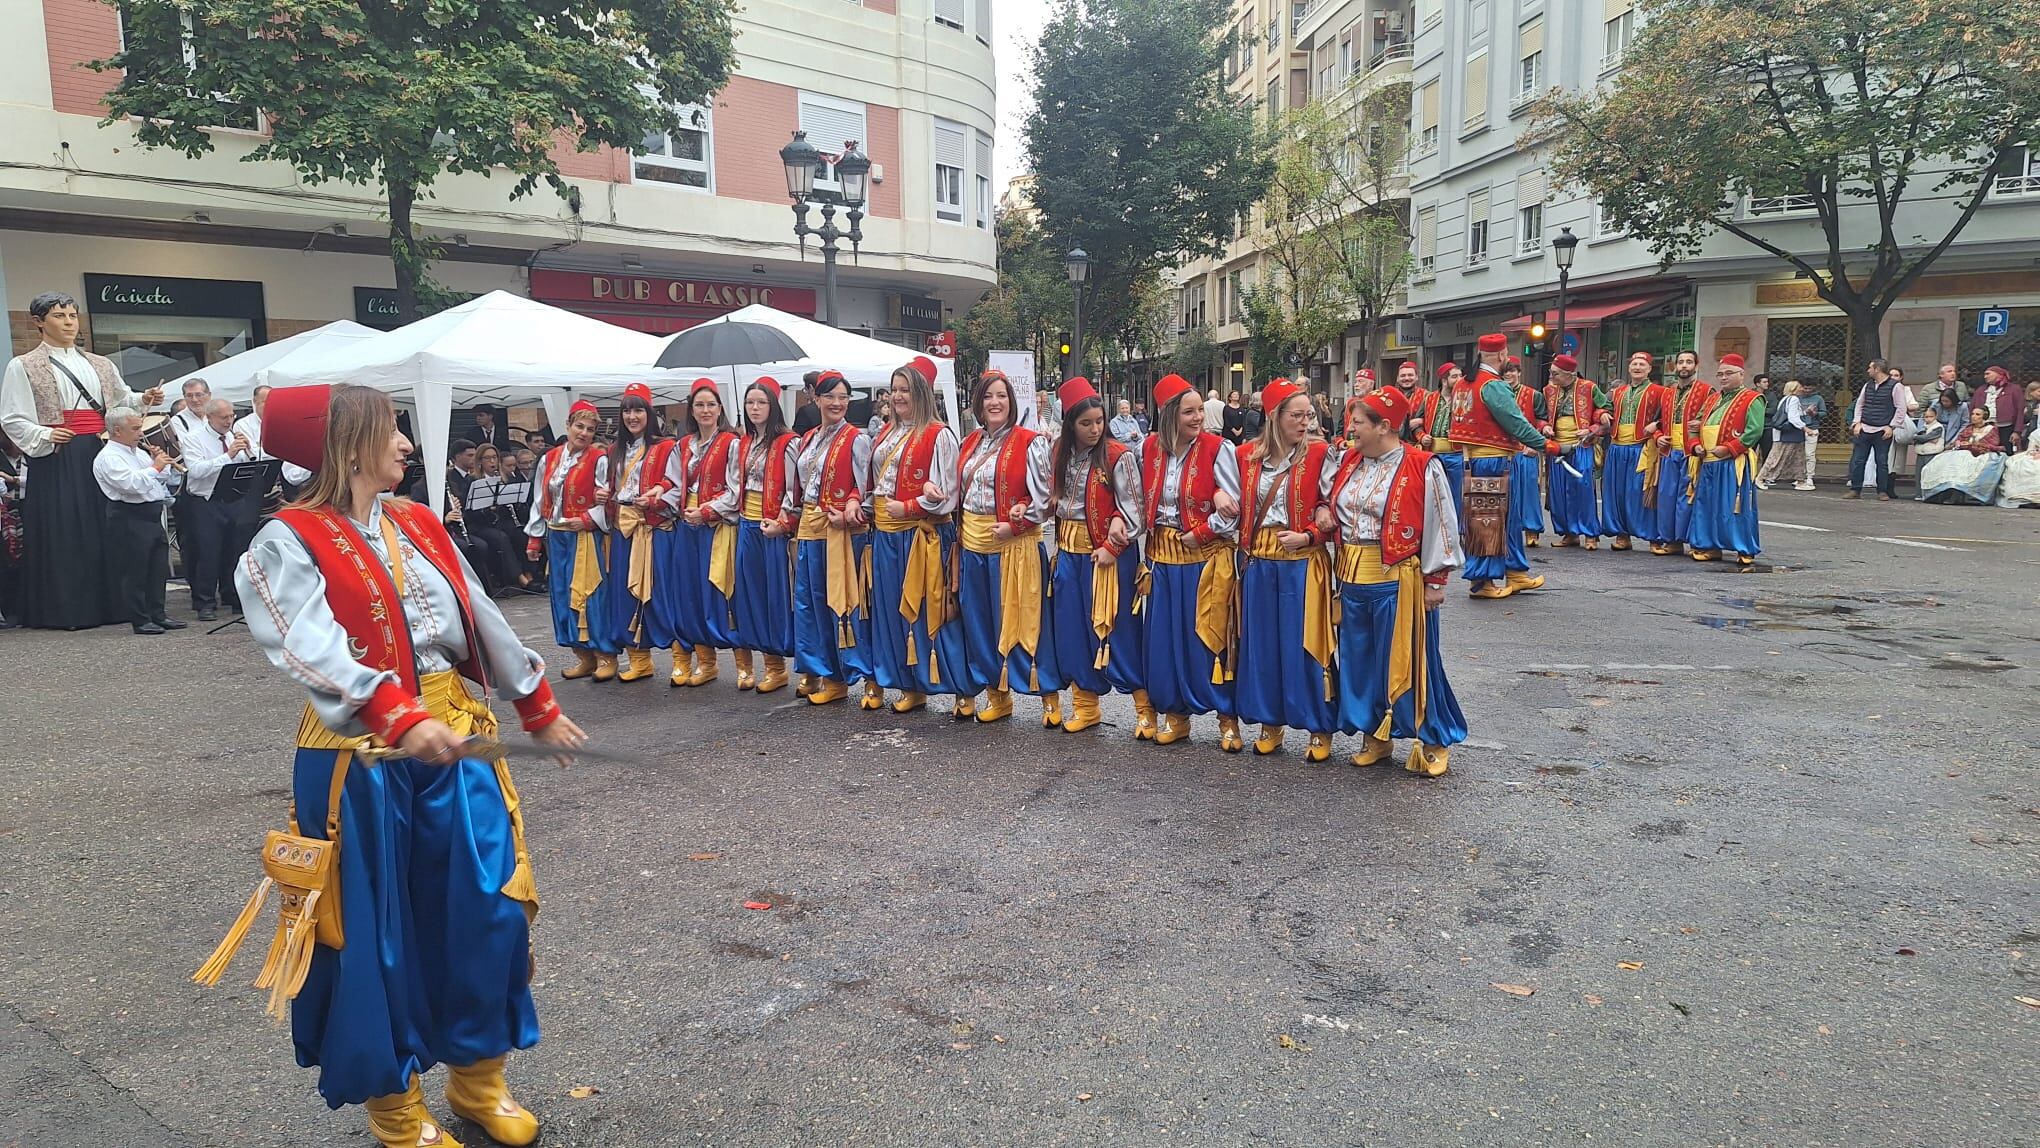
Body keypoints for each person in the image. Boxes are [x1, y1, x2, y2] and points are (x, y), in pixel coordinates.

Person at [224, 383, 585, 1148]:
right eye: (391, 430)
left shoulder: (420, 521)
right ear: (345, 442)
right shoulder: (283, 541)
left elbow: (476, 609)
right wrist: (392, 709)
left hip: (457, 735)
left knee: (486, 910)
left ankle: (479, 1080)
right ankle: (396, 1105)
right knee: (375, 931)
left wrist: (533, 698)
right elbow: (304, 644)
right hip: (360, 757)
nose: (407, 446)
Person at [1321, 386, 1465, 777]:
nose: (1352, 431)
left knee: (1413, 661)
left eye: (1359, 424)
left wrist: (1436, 579)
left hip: (1398, 580)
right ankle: (1375, 735)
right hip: (1351, 578)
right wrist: (1323, 513)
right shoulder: (1350, 460)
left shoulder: (1422, 464)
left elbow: (1442, 522)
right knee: (1360, 662)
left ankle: (1432, 736)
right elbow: (1324, 497)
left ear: (1385, 426)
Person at [0, 292, 164, 629]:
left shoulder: (101, 363)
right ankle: (70, 609)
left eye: (72, 316)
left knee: (108, 524)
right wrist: (45, 434)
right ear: (38, 322)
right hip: (60, 453)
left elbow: (121, 400)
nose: (69, 323)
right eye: (59, 316)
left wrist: (142, 397)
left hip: (100, 447)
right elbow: (12, 416)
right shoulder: (23, 365)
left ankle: (118, 605)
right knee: (67, 529)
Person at [1234, 378, 1337, 762]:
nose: (1305, 422)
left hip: (1302, 561)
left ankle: (1318, 724)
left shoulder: (1322, 453)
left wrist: (1312, 532)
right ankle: (1269, 721)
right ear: (1274, 416)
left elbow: (1334, 503)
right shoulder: (1245, 455)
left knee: (1305, 644)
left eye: (1308, 415)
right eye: (1297, 415)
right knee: (1262, 645)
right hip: (1258, 560)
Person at [1141, 374, 1243, 750]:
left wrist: (1204, 528)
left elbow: (1234, 507)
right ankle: (1176, 715)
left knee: (1210, 639)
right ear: (1169, 415)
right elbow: (1140, 499)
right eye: (1189, 411)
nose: (1198, 417)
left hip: (1205, 559)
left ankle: (1226, 717)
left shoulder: (1218, 449)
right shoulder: (1149, 448)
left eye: (1200, 409)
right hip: (1162, 560)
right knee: (1166, 642)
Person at [954, 369, 1060, 724]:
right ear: (978, 404)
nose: (994, 402)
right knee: (980, 622)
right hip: (973, 544)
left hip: (1014, 545)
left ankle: (1047, 694)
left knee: (1027, 619)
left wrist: (1016, 523)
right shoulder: (969, 443)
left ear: (1011, 401)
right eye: (988, 396)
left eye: (1001, 395)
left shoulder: (1031, 441)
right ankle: (996, 695)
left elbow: (1044, 501)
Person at [1044, 377, 1148, 737]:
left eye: (1099, 422)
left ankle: (1143, 707)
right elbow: (1049, 501)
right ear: (1070, 423)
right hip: (1068, 554)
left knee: (1118, 631)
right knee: (1073, 632)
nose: (1094, 429)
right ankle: (1086, 705)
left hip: (1106, 554)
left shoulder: (1118, 456)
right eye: (1085, 423)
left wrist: (1113, 547)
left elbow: (1136, 511)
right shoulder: (1058, 453)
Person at [867, 360, 967, 715]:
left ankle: (959, 688)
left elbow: (947, 496)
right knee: (895, 613)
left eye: (905, 389)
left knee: (933, 611)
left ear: (921, 393)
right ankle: (909, 683)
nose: (897, 396)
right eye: (894, 389)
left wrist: (909, 506)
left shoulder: (939, 434)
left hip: (920, 537)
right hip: (886, 538)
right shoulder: (885, 432)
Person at [707, 378, 799, 694]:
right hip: (747, 523)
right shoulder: (743, 442)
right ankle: (771, 665)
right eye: (750, 403)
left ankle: (789, 666)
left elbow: (793, 489)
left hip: (773, 525)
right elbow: (736, 486)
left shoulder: (788, 442)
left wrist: (784, 521)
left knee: (778, 598)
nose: (755, 408)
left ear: (773, 406)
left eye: (761, 402)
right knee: (753, 597)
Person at [791, 369, 875, 707]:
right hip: (809, 526)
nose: (837, 402)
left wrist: (852, 501)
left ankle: (860, 674)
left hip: (838, 528)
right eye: (830, 396)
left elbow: (863, 482)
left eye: (843, 397)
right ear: (817, 398)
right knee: (809, 603)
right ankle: (823, 671)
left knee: (846, 602)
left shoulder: (857, 438)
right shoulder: (808, 438)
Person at [1455, 334, 1560, 599]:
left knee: (1506, 519)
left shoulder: (1465, 383)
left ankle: (1515, 573)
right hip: (1492, 460)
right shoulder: (1492, 385)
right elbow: (1516, 423)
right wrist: (1545, 445)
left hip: (1478, 459)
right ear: (1502, 356)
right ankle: (1482, 581)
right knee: (1487, 521)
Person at [524, 400, 619, 681]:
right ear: (567, 425)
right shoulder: (549, 458)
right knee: (563, 595)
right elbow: (540, 499)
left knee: (590, 594)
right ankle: (583, 655)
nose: (584, 433)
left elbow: (606, 498)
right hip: (557, 535)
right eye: (579, 426)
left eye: (590, 429)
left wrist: (589, 519)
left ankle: (605, 655)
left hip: (584, 536)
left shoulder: (598, 460)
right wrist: (534, 537)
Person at [663, 378, 742, 688]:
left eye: (711, 404)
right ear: (691, 410)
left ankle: (743, 663)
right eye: (700, 405)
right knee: (690, 594)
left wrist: (707, 511)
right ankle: (705, 661)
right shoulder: (683, 446)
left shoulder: (731, 443)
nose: (706, 410)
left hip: (716, 525)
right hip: (687, 527)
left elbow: (736, 490)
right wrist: (659, 497)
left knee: (724, 593)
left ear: (720, 408)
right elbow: (674, 486)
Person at [602, 384, 678, 683]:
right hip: (623, 527)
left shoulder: (665, 447)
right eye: (627, 410)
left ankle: (679, 657)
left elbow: (674, 483)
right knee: (624, 593)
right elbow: (610, 488)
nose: (632, 416)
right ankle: (639, 658)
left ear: (650, 413)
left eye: (638, 410)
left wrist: (658, 495)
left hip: (652, 526)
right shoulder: (613, 451)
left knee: (661, 592)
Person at [92, 406, 186, 635]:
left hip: (151, 514)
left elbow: (158, 481)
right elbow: (131, 485)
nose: (140, 433)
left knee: (157, 568)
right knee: (135, 570)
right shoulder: (108, 457)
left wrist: (160, 463)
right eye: (134, 429)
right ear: (116, 431)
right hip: (128, 516)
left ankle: (158, 614)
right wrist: (155, 467)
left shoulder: (139, 453)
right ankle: (140, 619)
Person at [1685, 353, 1766, 565]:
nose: (1723, 378)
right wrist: (1696, 445)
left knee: (1734, 505)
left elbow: (1754, 430)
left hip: (1732, 461)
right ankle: (1708, 545)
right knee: (1706, 505)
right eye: (1720, 374)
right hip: (1708, 461)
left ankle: (1744, 548)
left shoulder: (1753, 399)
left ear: (1742, 374)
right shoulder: (1712, 399)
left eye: (1728, 373)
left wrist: (1730, 448)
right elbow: (1694, 426)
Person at [181, 397, 258, 618]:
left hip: (233, 497)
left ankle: (232, 595)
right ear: (210, 417)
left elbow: (247, 466)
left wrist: (249, 452)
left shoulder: (234, 435)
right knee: (208, 551)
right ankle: (204, 602)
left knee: (235, 548)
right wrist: (228, 455)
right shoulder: (193, 438)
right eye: (224, 417)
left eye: (232, 415)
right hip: (206, 500)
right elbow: (195, 471)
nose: (229, 421)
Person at [1602, 352, 1669, 546]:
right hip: (1617, 447)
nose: (1637, 367)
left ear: (1649, 369)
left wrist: (1656, 424)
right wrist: (1603, 415)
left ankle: (1652, 537)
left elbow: (1669, 415)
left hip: (1641, 447)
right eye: (1634, 364)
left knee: (1641, 492)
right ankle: (1622, 535)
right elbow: (1603, 408)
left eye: (1642, 364)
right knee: (1617, 492)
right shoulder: (1617, 392)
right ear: (1629, 368)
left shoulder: (1660, 391)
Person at [1542, 355, 1608, 549]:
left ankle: (1590, 534)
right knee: (1559, 491)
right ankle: (1568, 533)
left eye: (1555, 373)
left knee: (1584, 489)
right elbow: (1541, 415)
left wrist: (1593, 427)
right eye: (1551, 373)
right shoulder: (1548, 391)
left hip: (1582, 444)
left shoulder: (1589, 387)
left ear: (1569, 373)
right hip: (1557, 447)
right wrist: (1545, 426)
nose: (1551, 376)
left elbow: (1605, 407)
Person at [1504, 358, 1550, 550]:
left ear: (1519, 373)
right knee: (1506, 492)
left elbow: (1541, 419)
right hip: (1504, 449)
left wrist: (1536, 442)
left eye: (1513, 371)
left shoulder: (1533, 395)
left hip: (1526, 449)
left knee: (1529, 490)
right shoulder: (1495, 393)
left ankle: (1532, 530)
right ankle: (1507, 530)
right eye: (1506, 372)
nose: (1509, 375)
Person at [1917, 406, 2005, 505]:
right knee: (1944, 461)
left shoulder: (1991, 429)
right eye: (1972, 414)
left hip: (1979, 455)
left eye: (1977, 414)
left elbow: (1992, 444)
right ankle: (1943, 492)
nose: (1974, 416)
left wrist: (1973, 445)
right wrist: (1959, 443)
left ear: (1984, 416)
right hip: (1963, 452)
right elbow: (1959, 440)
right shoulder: (1968, 428)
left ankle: (1956, 493)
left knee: (1962, 463)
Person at [1846, 359, 1908, 500]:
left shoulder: (1895, 386)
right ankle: (1855, 489)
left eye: (1870, 368)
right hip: (1865, 428)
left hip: (1882, 429)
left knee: (1882, 462)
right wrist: (1857, 422)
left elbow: (1901, 408)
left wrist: (1891, 426)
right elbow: (1860, 404)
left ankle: (1882, 491)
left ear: (1877, 369)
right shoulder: (1868, 385)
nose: (1868, 370)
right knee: (1859, 460)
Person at [1414, 363, 1465, 524]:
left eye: (1460, 376)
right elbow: (1415, 425)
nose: (1459, 379)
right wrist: (1422, 437)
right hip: (1433, 455)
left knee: (1456, 494)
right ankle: (1435, 528)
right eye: (1454, 376)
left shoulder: (1464, 398)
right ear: (1444, 380)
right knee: (1433, 494)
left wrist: (1458, 433)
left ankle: (1456, 528)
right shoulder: (1429, 399)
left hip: (1456, 455)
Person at [1757, 380, 1813, 491]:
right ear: (1794, 389)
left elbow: (1792, 414)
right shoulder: (1794, 399)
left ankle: (1800, 480)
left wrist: (1806, 412)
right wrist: (1805, 428)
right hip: (1788, 434)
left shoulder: (1786, 399)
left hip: (1789, 434)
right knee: (1776, 457)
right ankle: (1760, 478)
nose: (1802, 389)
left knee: (1798, 457)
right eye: (1799, 387)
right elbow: (1793, 417)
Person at [1973, 365, 2023, 454]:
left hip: (2005, 428)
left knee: (2006, 451)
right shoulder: (1981, 390)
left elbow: (2020, 410)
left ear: (1998, 374)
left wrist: (2017, 431)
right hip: (1985, 427)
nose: (1985, 377)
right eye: (1984, 374)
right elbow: (1973, 408)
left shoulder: (2014, 389)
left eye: (1988, 374)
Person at [1997, 423, 2040, 507]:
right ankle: (2023, 498)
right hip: (2036, 455)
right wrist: (2034, 452)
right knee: (2019, 464)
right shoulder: (2036, 433)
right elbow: (2031, 449)